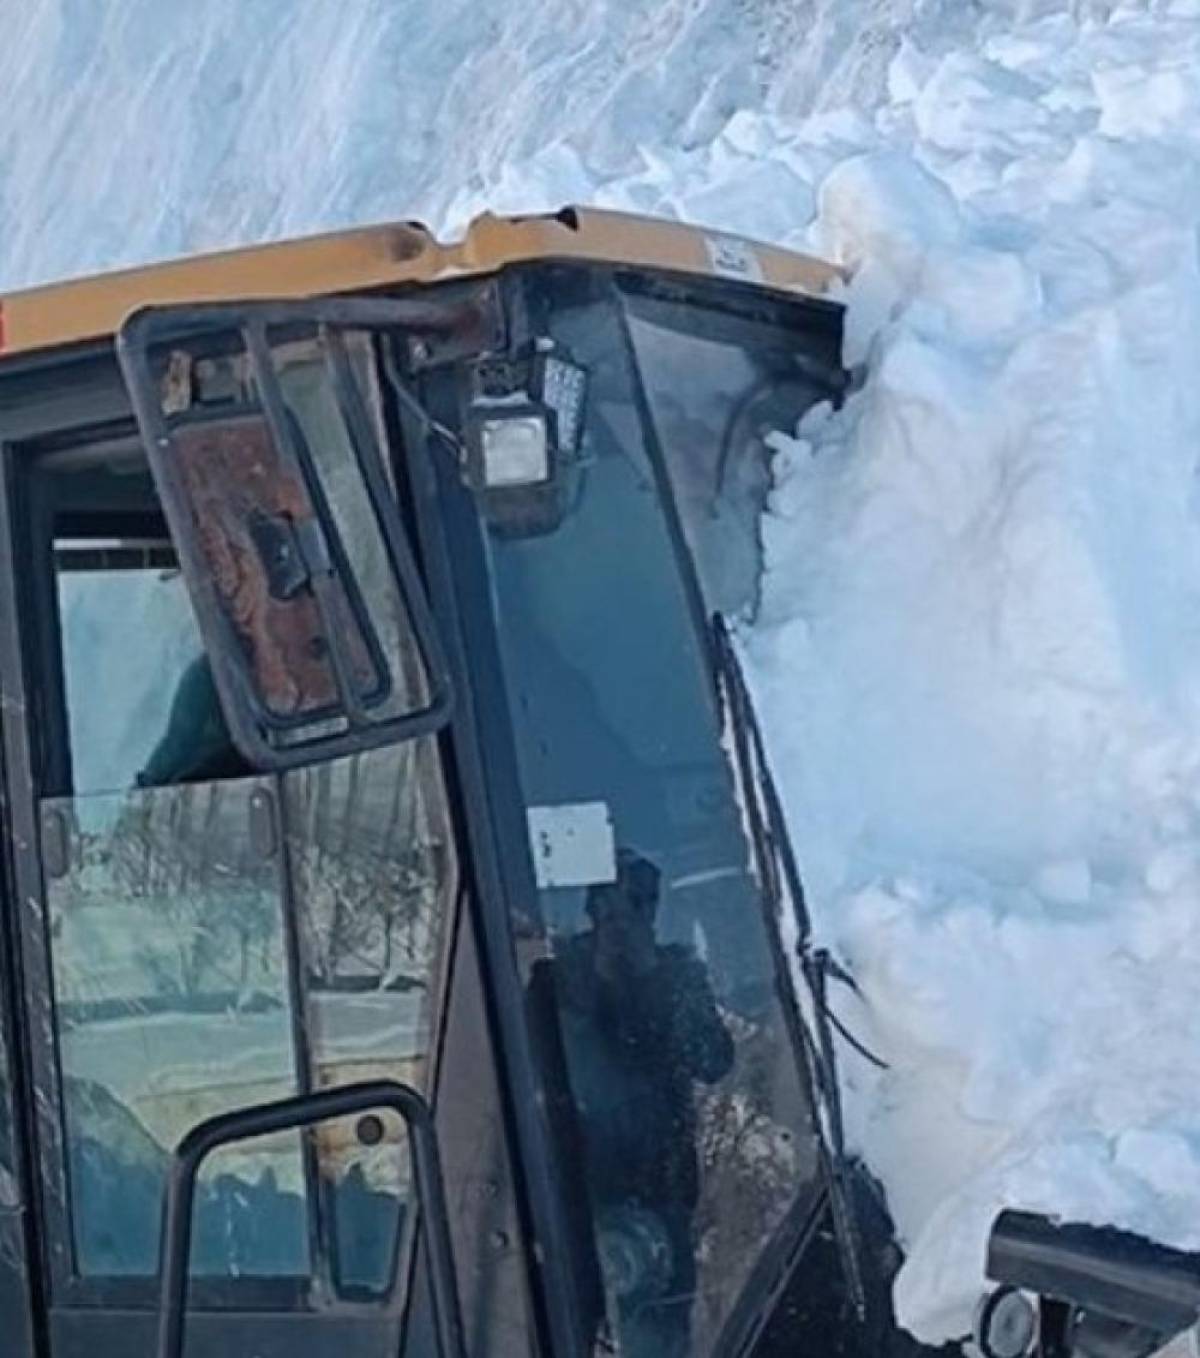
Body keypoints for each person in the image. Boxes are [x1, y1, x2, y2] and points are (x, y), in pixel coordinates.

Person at [529, 849, 734, 1357]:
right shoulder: (557, 978)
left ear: (654, 913)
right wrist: (595, 986)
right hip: (572, 1188)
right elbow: (539, 1063)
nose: (622, 921)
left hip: (662, 1188)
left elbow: (714, 1060)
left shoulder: (678, 974)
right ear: (590, 911)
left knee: (659, 1340)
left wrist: (651, 979)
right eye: (610, 906)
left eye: (636, 906)